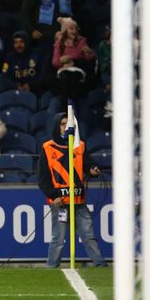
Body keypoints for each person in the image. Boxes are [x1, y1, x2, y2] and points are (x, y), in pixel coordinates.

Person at [37, 112, 107, 268]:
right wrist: (53, 196)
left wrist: (93, 170)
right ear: (57, 126)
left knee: (89, 235)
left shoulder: (80, 145)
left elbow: (88, 165)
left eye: (69, 125)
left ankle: (101, 265)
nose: (66, 127)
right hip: (60, 203)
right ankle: (52, 266)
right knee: (58, 238)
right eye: (63, 124)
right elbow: (43, 179)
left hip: (79, 202)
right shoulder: (47, 148)